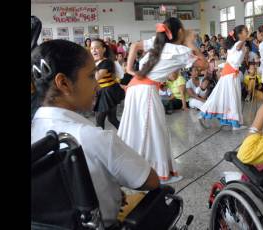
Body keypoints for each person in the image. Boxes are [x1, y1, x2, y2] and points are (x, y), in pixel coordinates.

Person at [31, 40, 159, 228]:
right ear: (64, 83)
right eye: (91, 76)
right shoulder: (94, 138)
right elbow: (150, 181)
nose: (97, 85)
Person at [118, 17, 208, 183]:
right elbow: (204, 65)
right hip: (145, 91)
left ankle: (132, 169)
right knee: (153, 130)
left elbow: (134, 46)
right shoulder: (179, 51)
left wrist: (130, 69)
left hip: (134, 88)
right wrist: (190, 42)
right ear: (180, 32)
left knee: (136, 129)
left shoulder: (156, 43)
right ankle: (157, 173)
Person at [199, 25, 249, 130]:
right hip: (230, 75)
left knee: (222, 96)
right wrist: (245, 39)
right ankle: (235, 123)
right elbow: (239, 46)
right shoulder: (238, 44)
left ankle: (206, 114)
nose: (247, 32)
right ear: (240, 34)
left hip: (229, 74)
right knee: (231, 97)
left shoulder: (237, 44)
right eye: (245, 31)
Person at [90, 39, 125, 130]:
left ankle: (100, 142)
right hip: (104, 92)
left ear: (104, 49)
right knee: (112, 119)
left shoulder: (106, 62)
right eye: (92, 48)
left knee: (99, 120)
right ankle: (127, 134)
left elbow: (97, 77)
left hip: (108, 92)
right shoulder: (96, 62)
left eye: (96, 48)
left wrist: (90, 64)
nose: (94, 50)